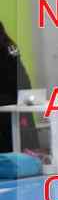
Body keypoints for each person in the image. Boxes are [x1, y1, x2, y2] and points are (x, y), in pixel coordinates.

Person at [0, 21, 38, 153]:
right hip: (18, 95)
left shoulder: (8, 47)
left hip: (9, 98)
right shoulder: (10, 46)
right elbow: (21, 75)